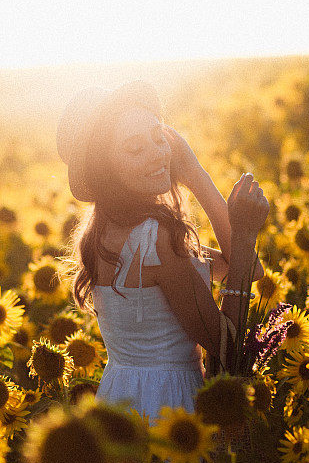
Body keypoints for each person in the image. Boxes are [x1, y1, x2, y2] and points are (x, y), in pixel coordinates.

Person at [57, 79, 269, 426]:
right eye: (135, 148)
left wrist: (192, 171)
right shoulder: (154, 238)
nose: (157, 153)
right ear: (106, 167)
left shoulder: (106, 232)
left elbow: (243, 269)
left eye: (159, 138)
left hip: (120, 400)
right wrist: (242, 229)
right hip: (170, 407)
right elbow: (228, 348)